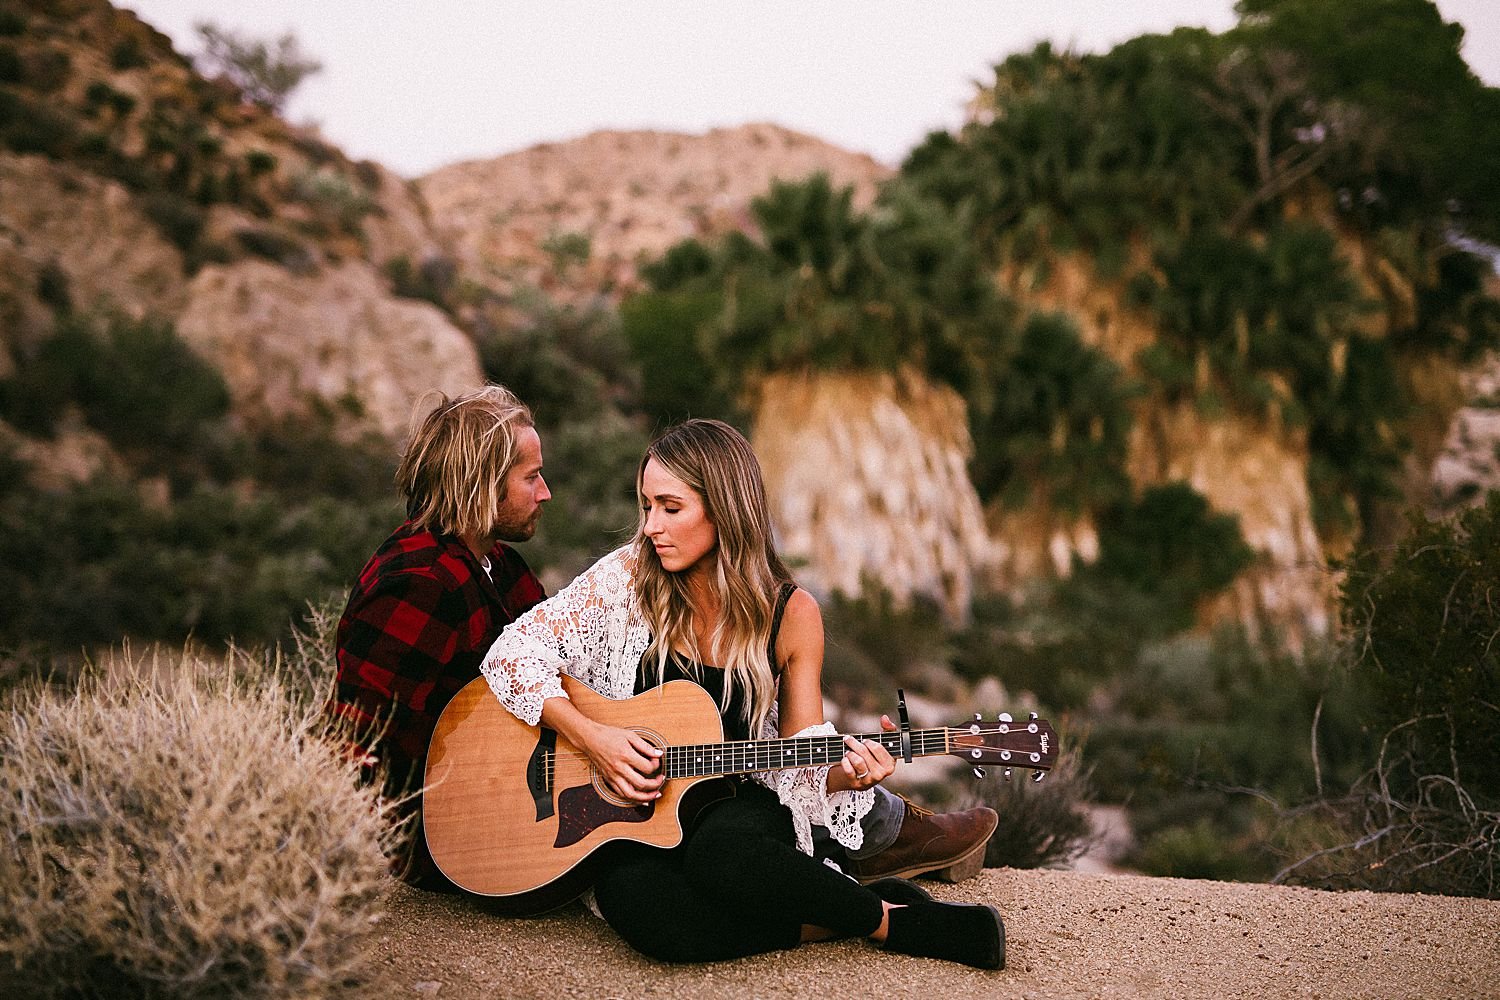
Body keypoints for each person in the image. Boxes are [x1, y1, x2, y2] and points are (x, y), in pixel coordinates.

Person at [479, 419, 1005, 969]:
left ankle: (898, 925)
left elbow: (803, 758)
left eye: (671, 508)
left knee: (725, 859)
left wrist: (848, 775)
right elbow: (513, 652)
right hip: (636, 818)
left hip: (733, 805)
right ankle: (859, 913)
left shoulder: (791, 614)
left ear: (724, 509)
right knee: (639, 906)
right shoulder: (629, 577)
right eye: (646, 507)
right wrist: (595, 737)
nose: (652, 527)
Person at [330, 385, 550, 887]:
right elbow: (355, 737)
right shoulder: (419, 582)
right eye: (531, 477)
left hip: (509, 791)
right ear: (482, 484)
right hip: (439, 840)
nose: (545, 493)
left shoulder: (499, 565)